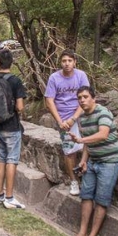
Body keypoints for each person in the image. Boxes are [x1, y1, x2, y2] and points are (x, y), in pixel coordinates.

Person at [72, 85, 118, 236]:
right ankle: (82, 232)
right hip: (93, 161)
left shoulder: (103, 112)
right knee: (86, 196)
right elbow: (89, 141)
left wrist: (80, 141)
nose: (82, 100)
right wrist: (84, 160)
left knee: (101, 199)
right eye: (80, 98)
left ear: (93, 98)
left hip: (109, 162)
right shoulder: (83, 118)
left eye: (85, 97)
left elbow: (103, 134)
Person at [44, 50, 90, 196]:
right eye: (64, 61)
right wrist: (60, 121)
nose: (67, 63)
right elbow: (49, 100)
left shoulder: (81, 75)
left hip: (81, 114)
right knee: (69, 151)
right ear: (60, 63)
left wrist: (74, 118)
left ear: (74, 62)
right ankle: (74, 181)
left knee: (87, 145)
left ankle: (88, 178)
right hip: (63, 118)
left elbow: (86, 97)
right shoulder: (54, 78)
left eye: (70, 60)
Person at [0, 49, 28, 209]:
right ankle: (10, 198)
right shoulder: (15, 81)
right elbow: (20, 107)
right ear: (12, 62)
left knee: (1, 159)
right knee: (12, 160)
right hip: (12, 127)